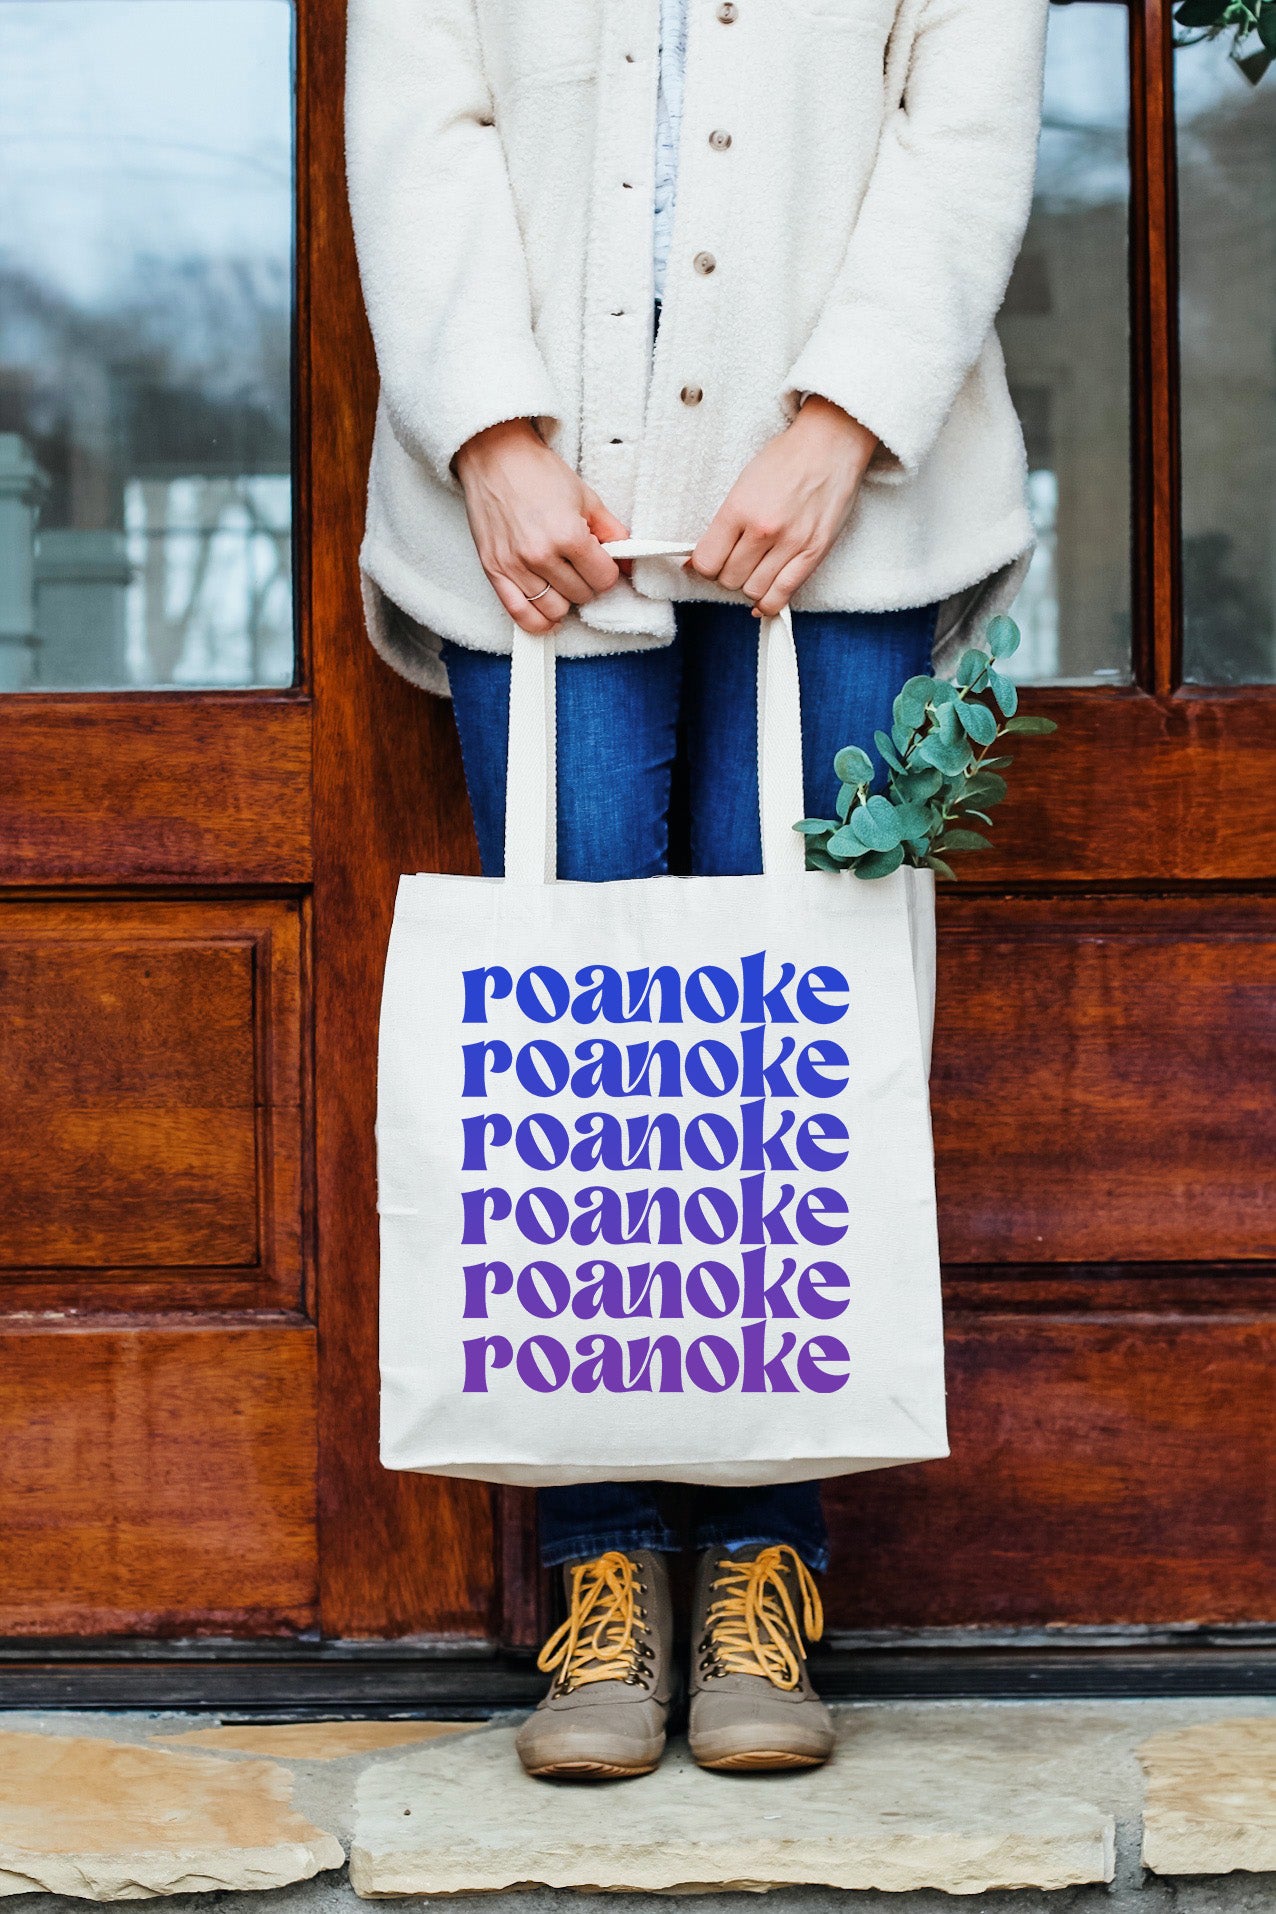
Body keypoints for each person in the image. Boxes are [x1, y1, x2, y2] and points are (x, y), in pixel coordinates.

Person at [346, 0, 1048, 1780]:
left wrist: (840, 424)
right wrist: (488, 437)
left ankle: (764, 1570)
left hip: (856, 508)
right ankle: (600, 1574)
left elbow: (958, 126)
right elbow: (426, 122)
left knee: (782, 1047)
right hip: (536, 513)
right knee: (582, 1052)